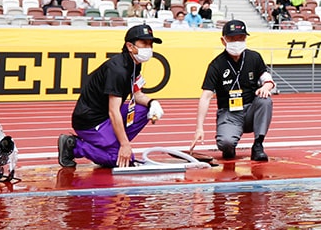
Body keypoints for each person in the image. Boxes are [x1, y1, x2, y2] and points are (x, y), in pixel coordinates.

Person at [58, 25, 165, 168]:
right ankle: (74, 145)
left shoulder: (135, 64)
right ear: (130, 46)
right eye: (144, 43)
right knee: (122, 160)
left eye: (151, 44)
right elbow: (113, 111)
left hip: (106, 116)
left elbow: (137, 95)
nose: (149, 48)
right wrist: (125, 145)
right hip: (90, 121)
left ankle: (110, 144)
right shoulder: (118, 70)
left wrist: (153, 103)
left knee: (144, 110)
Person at [191, 20, 274, 161]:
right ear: (223, 41)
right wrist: (199, 127)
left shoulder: (254, 57)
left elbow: (267, 78)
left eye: (241, 38)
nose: (237, 42)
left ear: (246, 38)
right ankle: (229, 148)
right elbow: (206, 96)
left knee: (265, 100)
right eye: (232, 38)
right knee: (226, 144)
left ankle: (258, 145)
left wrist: (267, 86)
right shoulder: (216, 65)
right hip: (229, 113)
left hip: (250, 111)